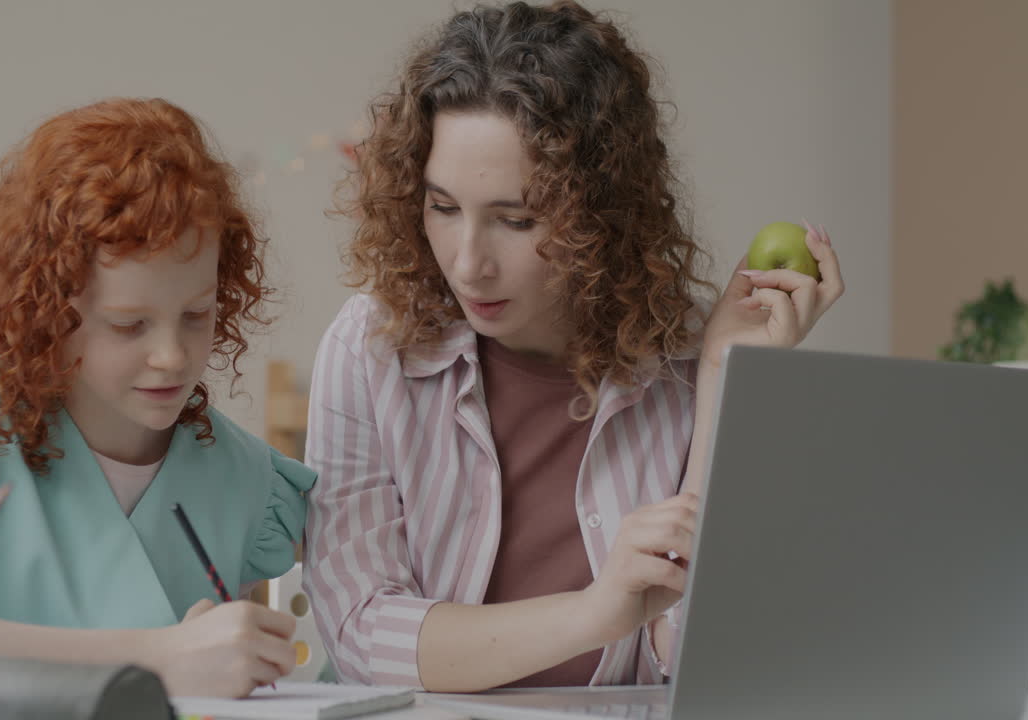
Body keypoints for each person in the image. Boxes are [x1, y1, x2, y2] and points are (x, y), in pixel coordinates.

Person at [302, 0, 844, 692]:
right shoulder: (369, 350)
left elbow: (699, 659)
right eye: (442, 208)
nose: (468, 262)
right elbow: (361, 637)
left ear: (599, 210)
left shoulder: (690, 350)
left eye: (517, 218)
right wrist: (594, 613)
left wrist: (727, 373)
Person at [0, 98, 315, 698]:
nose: (172, 356)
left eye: (197, 315)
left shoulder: (248, 482)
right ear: (47, 313)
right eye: (128, 325)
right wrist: (155, 657)